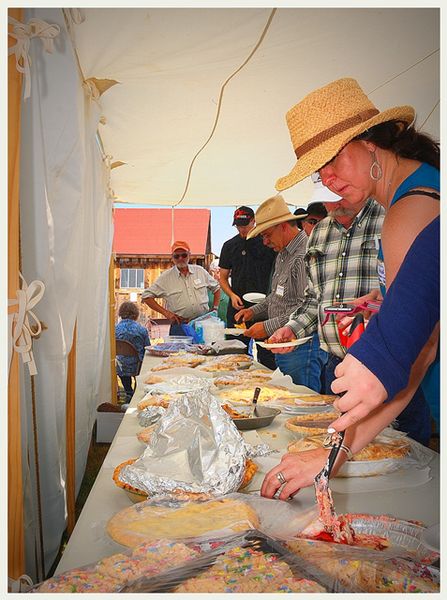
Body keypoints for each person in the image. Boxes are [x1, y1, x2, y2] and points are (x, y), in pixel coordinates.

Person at [261, 77, 439, 499]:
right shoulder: (416, 192)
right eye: (319, 172)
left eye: (333, 160)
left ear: (372, 143)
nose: (328, 179)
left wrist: (334, 451)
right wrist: (391, 304)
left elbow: (416, 353)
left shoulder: (410, 210)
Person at [268, 182, 385, 397]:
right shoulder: (319, 232)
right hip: (336, 364)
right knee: (340, 429)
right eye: (327, 195)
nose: (334, 201)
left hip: (384, 363)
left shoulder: (389, 218)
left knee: (397, 431)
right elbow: (314, 299)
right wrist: (292, 329)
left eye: (341, 191)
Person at [331, 215, 440, 433]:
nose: (329, 181)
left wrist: (345, 446)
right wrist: (381, 303)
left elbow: (426, 336)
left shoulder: (411, 209)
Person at [233, 194, 309, 382]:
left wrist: (267, 326)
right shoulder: (283, 254)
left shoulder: (302, 256)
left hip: (300, 348)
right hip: (284, 345)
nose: (264, 242)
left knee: (298, 404)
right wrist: (252, 311)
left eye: (266, 235)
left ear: (283, 226)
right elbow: (275, 297)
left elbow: (305, 308)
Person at [218, 206, 277, 369]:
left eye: (245, 225)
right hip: (238, 308)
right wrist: (231, 295)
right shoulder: (229, 245)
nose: (242, 229)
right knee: (236, 355)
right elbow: (222, 278)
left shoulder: (266, 242)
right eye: (238, 226)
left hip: (264, 308)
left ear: (254, 221)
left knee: (267, 354)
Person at [141, 241, 220, 336]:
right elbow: (146, 296)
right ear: (172, 258)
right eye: (176, 256)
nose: (180, 258)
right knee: (179, 351)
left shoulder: (200, 271)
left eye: (184, 255)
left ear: (189, 255)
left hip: (203, 324)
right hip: (180, 326)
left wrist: (215, 308)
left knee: (207, 350)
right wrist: (166, 313)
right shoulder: (166, 277)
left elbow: (216, 288)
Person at [115, 301, 150, 401]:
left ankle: (128, 391)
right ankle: (135, 393)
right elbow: (147, 348)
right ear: (136, 314)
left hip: (120, 366)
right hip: (137, 366)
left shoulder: (114, 329)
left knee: (123, 365)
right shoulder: (141, 330)